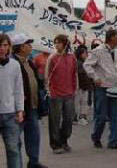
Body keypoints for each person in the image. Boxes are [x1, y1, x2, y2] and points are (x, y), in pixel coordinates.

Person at [83, 29, 117, 149]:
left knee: (116, 115)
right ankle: (96, 137)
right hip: (103, 88)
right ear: (112, 38)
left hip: (116, 87)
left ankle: (113, 141)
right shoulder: (98, 50)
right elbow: (87, 64)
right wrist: (95, 77)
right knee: (101, 115)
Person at [12, 34, 48, 168]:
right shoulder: (13, 63)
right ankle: (16, 164)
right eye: (28, 44)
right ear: (21, 47)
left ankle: (33, 162)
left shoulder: (29, 62)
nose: (31, 47)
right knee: (16, 139)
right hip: (19, 108)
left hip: (32, 107)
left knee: (33, 136)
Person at [45, 34, 77, 154]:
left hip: (69, 94)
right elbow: (47, 77)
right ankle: (55, 144)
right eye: (55, 43)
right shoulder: (52, 58)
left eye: (59, 42)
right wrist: (49, 91)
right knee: (55, 120)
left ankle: (64, 141)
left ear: (65, 44)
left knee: (68, 119)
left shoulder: (72, 58)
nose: (56, 45)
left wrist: (75, 90)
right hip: (56, 94)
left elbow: (75, 75)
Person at [0, 34, 24, 168]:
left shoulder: (15, 65)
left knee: (13, 150)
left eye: (5, 45)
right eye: (0, 45)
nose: (2, 48)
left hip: (10, 114)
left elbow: (18, 89)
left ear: (9, 47)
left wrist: (20, 110)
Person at [75, 46, 94, 126]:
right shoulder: (78, 63)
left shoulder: (85, 63)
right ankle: (77, 117)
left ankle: (82, 117)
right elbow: (79, 75)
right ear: (80, 54)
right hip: (79, 87)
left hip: (85, 87)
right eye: (85, 53)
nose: (86, 55)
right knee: (78, 103)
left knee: (84, 103)